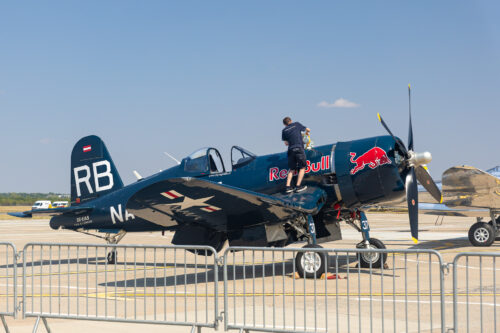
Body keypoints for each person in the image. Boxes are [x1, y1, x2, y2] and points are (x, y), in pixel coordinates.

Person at [281, 117, 310, 193]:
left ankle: (288, 187)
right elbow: (308, 130)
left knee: (292, 169)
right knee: (302, 167)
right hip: (299, 148)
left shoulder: (284, 130)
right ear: (291, 121)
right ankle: (298, 186)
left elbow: (286, 143)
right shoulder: (296, 124)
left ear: (284, 124)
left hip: (291, 150)